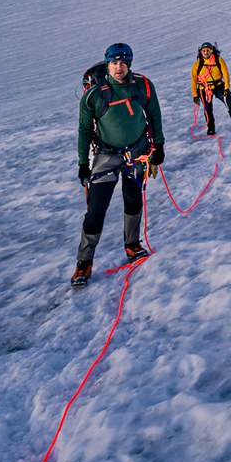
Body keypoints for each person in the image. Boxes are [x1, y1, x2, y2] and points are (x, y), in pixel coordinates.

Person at [73, 42, 165, 288]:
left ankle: (132, 245)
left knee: (133, 200)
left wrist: (159, 146)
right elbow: (84, 130)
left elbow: (154, 114)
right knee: (96, 211)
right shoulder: (94, 95)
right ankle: (84, 261)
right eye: (114, 63)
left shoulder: (143, 86)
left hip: (137, 153)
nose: (119, 67)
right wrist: (83, 163)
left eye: (123, 62)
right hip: (105, 156)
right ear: (107, 64)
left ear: (130, 64)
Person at [190, 41, 231, 134]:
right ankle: (211, 128)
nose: (206, 52)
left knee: (229, 101)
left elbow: (225, 74)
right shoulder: (197, 64)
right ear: (201, 52)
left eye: (208, 50)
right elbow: (193, 80)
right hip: (204, 88)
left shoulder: (218, 60)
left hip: (218, 86)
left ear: (211, 51)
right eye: (204, 51)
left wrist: (226, 88)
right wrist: (195, 95)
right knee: (208, 109)